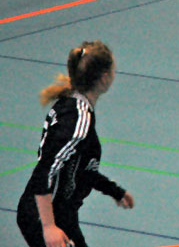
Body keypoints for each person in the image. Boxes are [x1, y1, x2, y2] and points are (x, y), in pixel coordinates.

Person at [17, 40, 134, 247]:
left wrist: (114, 190)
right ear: (104, 77)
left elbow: (81, 168)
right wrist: (48, 227)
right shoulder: (77, 120)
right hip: (44, 216)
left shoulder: (74, 106)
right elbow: (44, 171)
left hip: (63, 213)